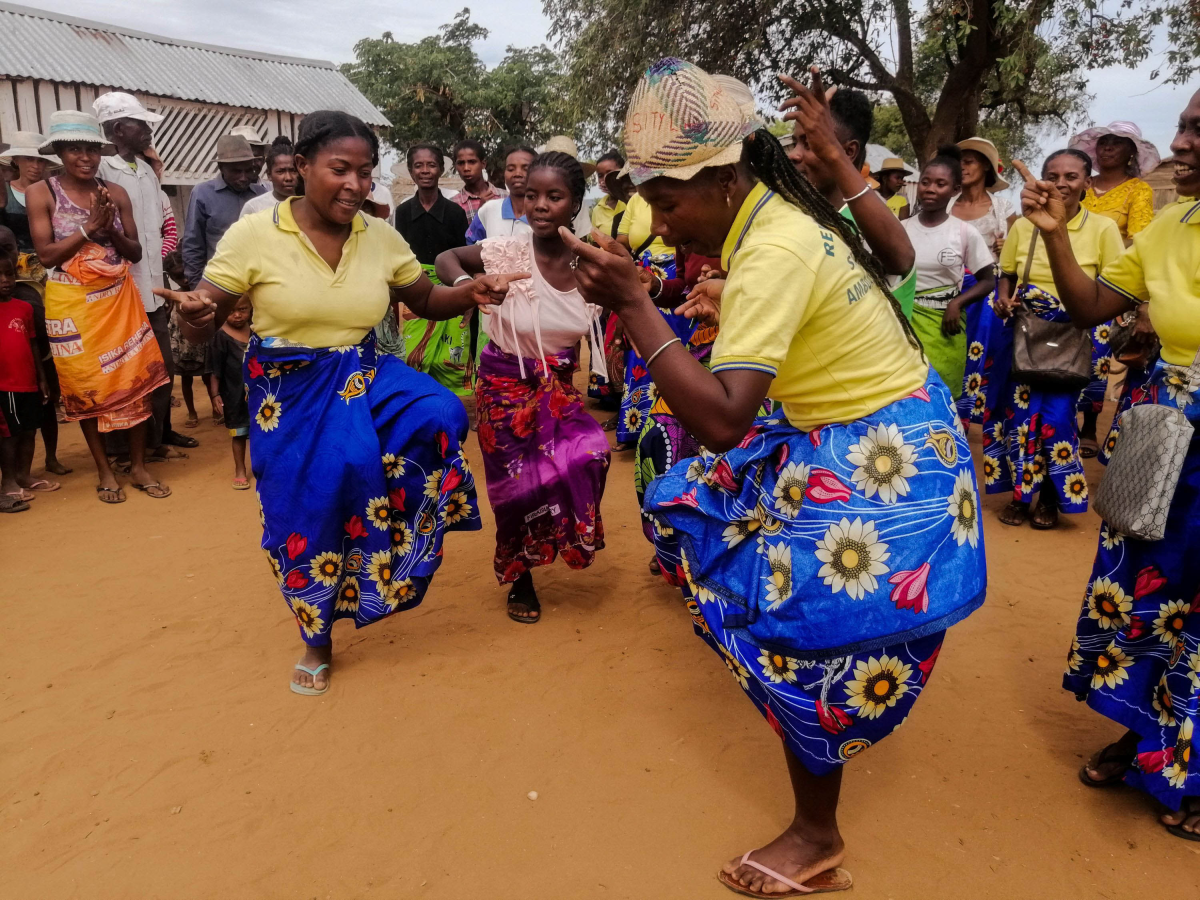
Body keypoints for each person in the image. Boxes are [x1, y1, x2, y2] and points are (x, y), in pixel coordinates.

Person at [566, 59, 986, 894]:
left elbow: (721, 420)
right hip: (863, 432)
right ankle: (813, 757)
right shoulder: (776, 218)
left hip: (877, 456)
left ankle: (814, 832)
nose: (659, 221)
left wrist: (635, 305)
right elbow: (886, 265)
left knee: (802, 634)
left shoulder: (776, 244)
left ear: (724, 179)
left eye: (669, 200)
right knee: (712, 531)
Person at [158, 110, 525, 695]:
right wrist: (195, 316)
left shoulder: (379, 235)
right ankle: (317, 634)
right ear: (301, 168)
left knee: (441, 414)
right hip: (289, 387)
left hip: (361, 372)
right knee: (310, 505)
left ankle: (391, 542)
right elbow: (206, 311)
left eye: (365, 171)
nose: (355, 184)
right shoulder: (254, 234)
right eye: (339, 169)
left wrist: (468, 292)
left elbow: (425, 297)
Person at [1018, 87, 1200, 839]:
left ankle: (1191, 761)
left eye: (1198, 130)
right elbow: (1093, 307)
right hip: (1165, 426)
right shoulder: (1171, 227)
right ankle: (1145, 736)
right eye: (1184, 126)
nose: (1182, 143)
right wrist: (1057, 235)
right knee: (1141, 583)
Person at [436, 151, 609, 625]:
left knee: (589, 454)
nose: (539, 205)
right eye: (531, 195)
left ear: (574, 204)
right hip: (502, 382)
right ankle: (521, 577)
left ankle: (563, 537)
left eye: (554, 196)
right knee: (516, 487)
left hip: (557, 385)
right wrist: (471, 284)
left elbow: (634, 298)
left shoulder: (591, 265)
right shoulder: (506, 250)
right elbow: (445, 257)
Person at [27, 111, 170, 503]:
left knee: (134, 378)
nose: (85, 157)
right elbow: (46, 254)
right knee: (84, 385)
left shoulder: (115, 192)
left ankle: (138, 465)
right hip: (72, 305)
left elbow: (136, 251)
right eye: (75, 149)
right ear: (59, 152)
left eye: (91, 149)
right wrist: (89, 228)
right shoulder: (42, 193)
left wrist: (111, 233)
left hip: (118, 300)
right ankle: (105, 469)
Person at [984, 149, 1123, 529]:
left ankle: (1049, 498)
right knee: (1020, 418)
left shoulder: (1104, 229)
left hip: (1075, 336)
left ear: (1087, 184)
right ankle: (1020, 496)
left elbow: (1113, 286)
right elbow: (1007, 272)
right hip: (1025, 332)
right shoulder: (1024, 225)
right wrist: (1002, 297)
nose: (1061, 183)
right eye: (1053, 175)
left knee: (1057, 420)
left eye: (1072, 176)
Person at [96, 92, 198, 467]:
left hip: (155, 290)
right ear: (119, 129)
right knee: (124, 372)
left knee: (162, 369)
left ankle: (158, 436)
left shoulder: (146, 172)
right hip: (120, 292)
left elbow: (159, 228)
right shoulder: (103, 172)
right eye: (141, 125)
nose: (147, 132)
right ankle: (122, 448)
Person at [1069, 121, 1161, 456]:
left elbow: (1140, 240)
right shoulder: (1082, 185)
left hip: (1111, 284)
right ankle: (1061, 420)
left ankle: (1089, 427)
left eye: (1117, 143)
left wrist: (1097, 242)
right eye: (1104, 141)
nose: (1107, 147)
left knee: (1096, 356)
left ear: (1131, 152)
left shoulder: (1138, 190)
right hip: (1069, 278)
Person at [785, 85, 917, 318]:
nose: (794, 154)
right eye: (795, 142)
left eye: (810, 143)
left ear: (848, 152)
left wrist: (831, 152)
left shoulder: (870, 222)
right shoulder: (795, 215)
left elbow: (902, 260)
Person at [0, 132, 69, 476]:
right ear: (16, 162)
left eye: (41, 160)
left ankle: (53, 455)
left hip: (50, 273)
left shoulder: (50, 192)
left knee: (56, 345)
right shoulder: (4, 197)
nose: (36, 165)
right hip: (13, 278)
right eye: (30, 159)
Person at [902, 146, 996, 399]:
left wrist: (958, 302)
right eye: (926, 182)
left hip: (943, 326)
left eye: (941, 184)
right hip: (902, 325)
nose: (930, 189)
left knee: (938, 395)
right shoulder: (900, 229)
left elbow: (989, 280)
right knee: (901, 394)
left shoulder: (963, 232)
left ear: (955, 190)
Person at [394, 143, 473, 395]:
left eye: (431, 165)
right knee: (415, 353)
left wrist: (464, 289)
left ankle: (452, 406)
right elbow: (399, 256)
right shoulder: (403, 212)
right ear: (410, 170)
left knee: (451, 355)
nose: (425, 170)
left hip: (451, 286)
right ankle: (420, 402)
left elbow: (463, 255)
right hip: (414, 287)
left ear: (440, 170)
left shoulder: (455, 213)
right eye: (419, 165)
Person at [950, 137, 1016, 426]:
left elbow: (1019, 254)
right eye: (958, 162)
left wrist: (1008, 246)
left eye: (969, 161)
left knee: (982, 354)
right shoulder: (946, 203)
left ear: (986, 168)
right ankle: (951, 414)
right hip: (949, 290)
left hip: (987, 291)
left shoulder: (1003, 209)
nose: (961, 167)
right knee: (952, 351)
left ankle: (976, 417)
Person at [0, 253, 57, 501]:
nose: (5, 280)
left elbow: (33, 344)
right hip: (5, 385)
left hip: (28, 382)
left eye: (9, 274)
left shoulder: (23, 308)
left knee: (30, 431)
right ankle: (8, 481)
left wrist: (41, 378)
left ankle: (24, 475)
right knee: (9, 435)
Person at [181, 134, 267, 288]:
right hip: (220, 285)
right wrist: (197, 288)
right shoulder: (203, 194)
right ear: (221, 168)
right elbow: (193, 246)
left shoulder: (261, 195)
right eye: (236, 171)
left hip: (258, 285)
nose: (244, 177)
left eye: (249, 171)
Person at [206, 294, 253, 489]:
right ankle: (240, 470)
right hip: (233, 394)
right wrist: (215, 395)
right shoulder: (220, 336)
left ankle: (263, 467)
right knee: (239, 432)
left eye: (242, 310)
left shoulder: (257, 332)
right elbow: (214, 371)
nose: (237, 315)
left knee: (263, 430)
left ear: (251, 309)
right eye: (231, 311)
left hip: (259, 392)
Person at [466, 146, 537, 244]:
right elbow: (471, 242)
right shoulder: (489, 209)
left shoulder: (543, 214)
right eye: (511, 169)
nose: (517, 174)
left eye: (525, 168)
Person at [239, 136, 298, 218]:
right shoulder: (254, 208)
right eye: (280, 171)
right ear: (269, 175)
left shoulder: (312, 204)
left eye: (293, 171)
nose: (288, 178)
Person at [451, 139, 506, 224]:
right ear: (456, 166)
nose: (466, 168)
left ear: (483, 164)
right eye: (461, 163)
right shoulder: (453, 205)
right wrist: (481, 212)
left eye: (472, 162)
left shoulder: (505, 197)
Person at [589, 150, 627, 238]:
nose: (605, 179)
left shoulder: (636, 200)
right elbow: (596, 243)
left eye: (610, 173)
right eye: (600, 176)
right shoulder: (597, 210)